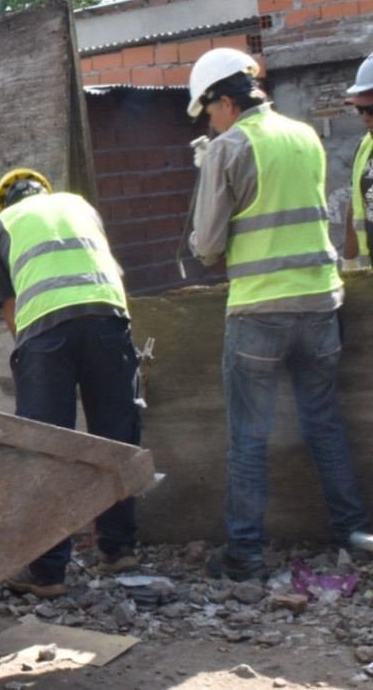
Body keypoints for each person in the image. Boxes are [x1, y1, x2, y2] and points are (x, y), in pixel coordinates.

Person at [186, 48, 373, 582]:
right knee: (324, 424)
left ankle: (244, 554)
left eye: (209, 111)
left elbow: (207, 247)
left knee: (248, 437)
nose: (210, 123)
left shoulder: (229, 148)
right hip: (320, 305)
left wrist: (209, 177)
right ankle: (354, 531)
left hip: (260, 312)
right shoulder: (305, 135)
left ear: (226, 101)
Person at [0, 167, 143, 599]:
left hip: (46, 334)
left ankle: (47, 571)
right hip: (109, 322)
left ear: (5, 203)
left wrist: (30, 352)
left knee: (46, 448)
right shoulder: (81, 207)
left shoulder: (2, 226)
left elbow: (11, 310)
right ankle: (119, 548)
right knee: (116, 438)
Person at [343, 53, 373, 268]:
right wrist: (349, 265)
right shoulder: (365, 147)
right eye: (361, 109)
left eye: (371, 109)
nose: (365, 117)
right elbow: (355, 206)